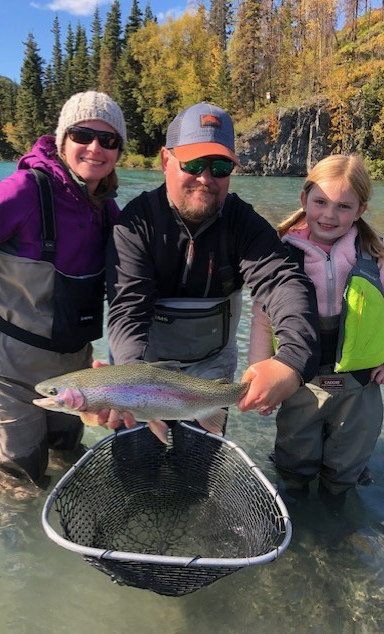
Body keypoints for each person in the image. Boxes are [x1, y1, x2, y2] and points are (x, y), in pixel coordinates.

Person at [0, 91, 127, 485]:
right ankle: (13, 543)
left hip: (72, 372)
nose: (95, 148)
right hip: (5, 371)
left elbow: (132, 294)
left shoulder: (110, 212)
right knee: (19, 479)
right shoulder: (21, 192)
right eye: (82, 135)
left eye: (109, 141)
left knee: (65, 455)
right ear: (62, 140)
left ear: (119, 151)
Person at [105, 101, 321, 441]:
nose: (205, 178)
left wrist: (292, 362)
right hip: (142, 368)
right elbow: (127, 311)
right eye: (192, 163)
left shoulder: (243, 223)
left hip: (212, 370)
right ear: (165, 161)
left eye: (220, 166)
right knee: (135, 463)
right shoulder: (136, 223)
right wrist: (128, 380)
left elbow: (283, 283)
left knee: (200, 464)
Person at [249, 154, 384, 503]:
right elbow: (263, 318)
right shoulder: (280, 253)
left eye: (343, 206)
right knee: (293, 462)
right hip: (299, 384)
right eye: (320, 202)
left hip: (361, 384)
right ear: (304, 198)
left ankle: (337, 506)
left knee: (347, 467)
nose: (329, 215)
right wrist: (260, 376)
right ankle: (298, 512)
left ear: (361, 210)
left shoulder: (380, 254)